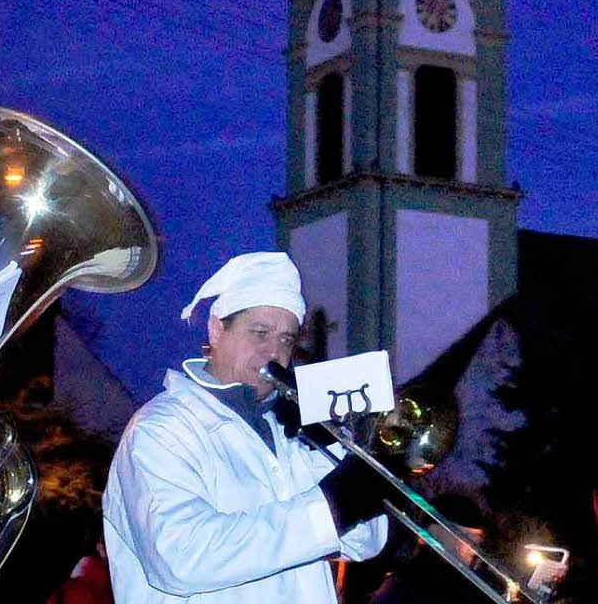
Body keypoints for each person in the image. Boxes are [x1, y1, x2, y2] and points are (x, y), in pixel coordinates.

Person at [102, 252, 388, 603]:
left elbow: (366, 543)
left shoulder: (287, 428)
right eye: (260, 333)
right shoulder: (160, 429)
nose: (274, 352)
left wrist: (344, 452)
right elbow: (180, 556)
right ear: (217, 329)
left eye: (286, 339)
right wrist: (329, 505)